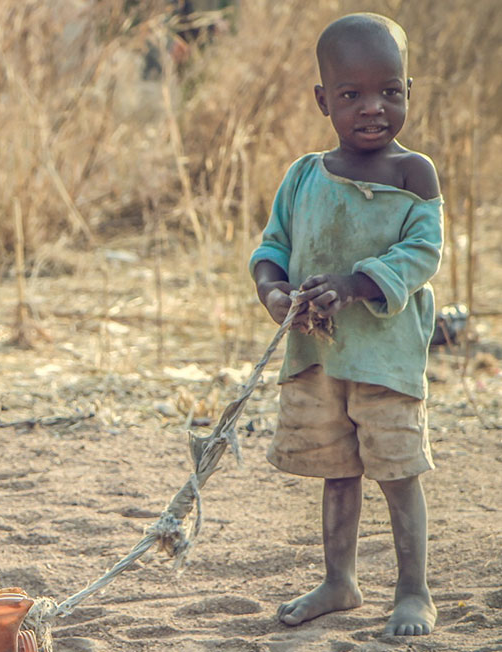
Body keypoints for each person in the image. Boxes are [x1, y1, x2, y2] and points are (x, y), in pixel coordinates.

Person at [249, 13, 442, 637]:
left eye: (390, 91)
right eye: (351, 94)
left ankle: (414, 592)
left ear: (409, 91)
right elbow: (272, 246)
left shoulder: (414, 174)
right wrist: (275, 293)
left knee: (398, 471)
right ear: (322, 99)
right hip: (319, 357)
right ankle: (340, 581)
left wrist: (355, 285)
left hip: (386, 358)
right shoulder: (303, 175)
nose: (373, 108)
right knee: (338, 470)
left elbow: (423, 252)